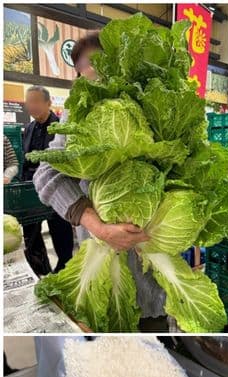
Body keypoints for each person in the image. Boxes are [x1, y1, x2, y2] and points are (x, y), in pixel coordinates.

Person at [32, 32, 172, 332]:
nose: (91, 76)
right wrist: (99, 227)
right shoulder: (80, 110)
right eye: (83, 71)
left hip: (155, 273)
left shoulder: (157, 104)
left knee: (155, 337)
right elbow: (46, 174)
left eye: (97, 64)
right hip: (101, 266)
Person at [21, 86, 75, 275]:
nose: (32, 106)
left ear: (48, 103)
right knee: (32, 234)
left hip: (57, 188)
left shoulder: (61, 126)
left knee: (60, 231)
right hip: (31, 190)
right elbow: (25, 159)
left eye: (36, 101)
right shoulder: (29, 128)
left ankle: (65, 265)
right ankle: (41, 268)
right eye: (29, 102)